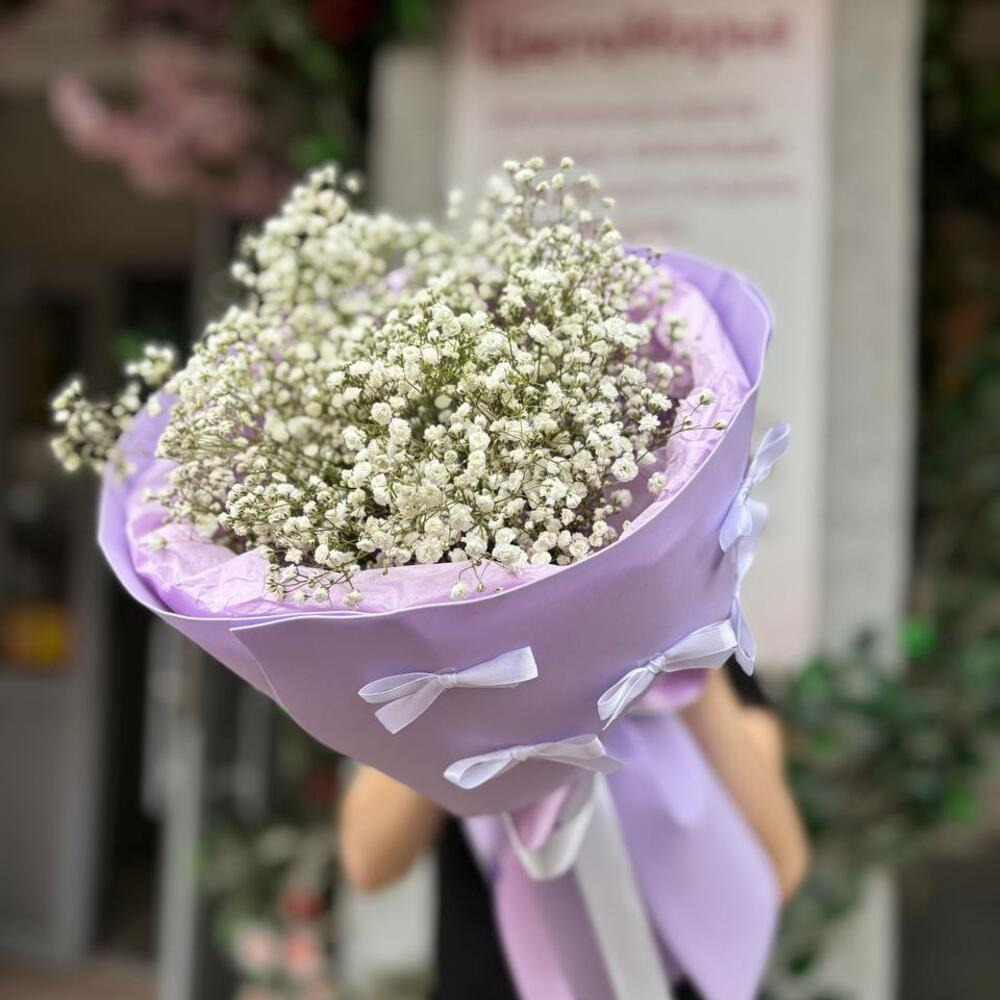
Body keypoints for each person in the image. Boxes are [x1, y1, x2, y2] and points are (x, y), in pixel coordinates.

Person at [339, 659, 809, 999]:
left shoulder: (698, 655)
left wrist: (676, 649)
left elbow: (777, 867)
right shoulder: (461, 662)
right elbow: (369, 861)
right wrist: (468, 671)